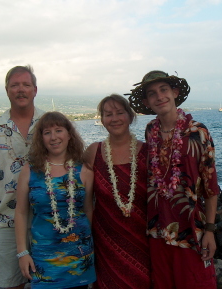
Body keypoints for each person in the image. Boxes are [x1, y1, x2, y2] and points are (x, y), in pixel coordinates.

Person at [128, 70, 220, 289]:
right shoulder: (151, 130)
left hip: (191, 230)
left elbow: (210, 185)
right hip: (157, 231)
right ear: (147, 102)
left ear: (175, 92)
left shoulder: (198, 132)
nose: (159, 96)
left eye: (164, 90)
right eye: (152, 93)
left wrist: (209, 230)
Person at [0, 65, 44, 289]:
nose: (20, 90)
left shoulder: (50, 125)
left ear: (35, 89)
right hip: (5, 222)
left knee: (49, 283)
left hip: (45, 221)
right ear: (7, 90)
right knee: (8, 285)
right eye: (15, 85)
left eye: (26, 84)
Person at [14, 111, 96, 289]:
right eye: (47, 132)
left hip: (79, 257)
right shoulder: (30, 171)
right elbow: (20, 212)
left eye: (58, 130)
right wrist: (22, 252)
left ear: (69, 134)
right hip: (43, 257)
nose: (54, 137)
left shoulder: (85, 172)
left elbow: (88, 210)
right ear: (41, 139)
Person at [82, 94, 151, 289]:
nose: (114, 119)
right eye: (108, 114)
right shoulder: (93, 152)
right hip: (105, 243)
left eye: (120, 113)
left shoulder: (147, 152)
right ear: (102, 120)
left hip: (142, 241)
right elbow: (83, 199)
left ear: (130, 116)